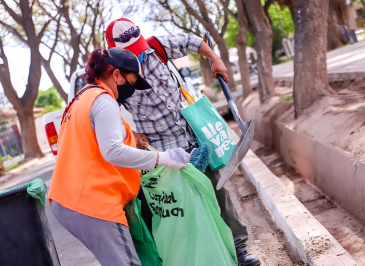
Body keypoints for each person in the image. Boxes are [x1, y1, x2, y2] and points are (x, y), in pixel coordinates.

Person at [105, 18, 261, 266]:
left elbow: (193, 41)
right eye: (131, 53)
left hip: (192, 139)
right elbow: (106, 114)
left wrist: (215, 59)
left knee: (218, 193)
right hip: (160, 153)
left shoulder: (156, 46)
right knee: (178, 211)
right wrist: (131, 134)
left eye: (139, 48)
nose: (139, 56)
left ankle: (239, 250)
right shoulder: (113, 76)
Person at [48, 47, 190, 266]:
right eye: (131, 83)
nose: (131, 90)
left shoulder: (81, 98)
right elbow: (112, 151)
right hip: (92, 202)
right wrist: (164, 158)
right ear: (116, 75)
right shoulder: (104, 100)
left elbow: (91, 140)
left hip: (69, 200)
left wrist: (130, 134)